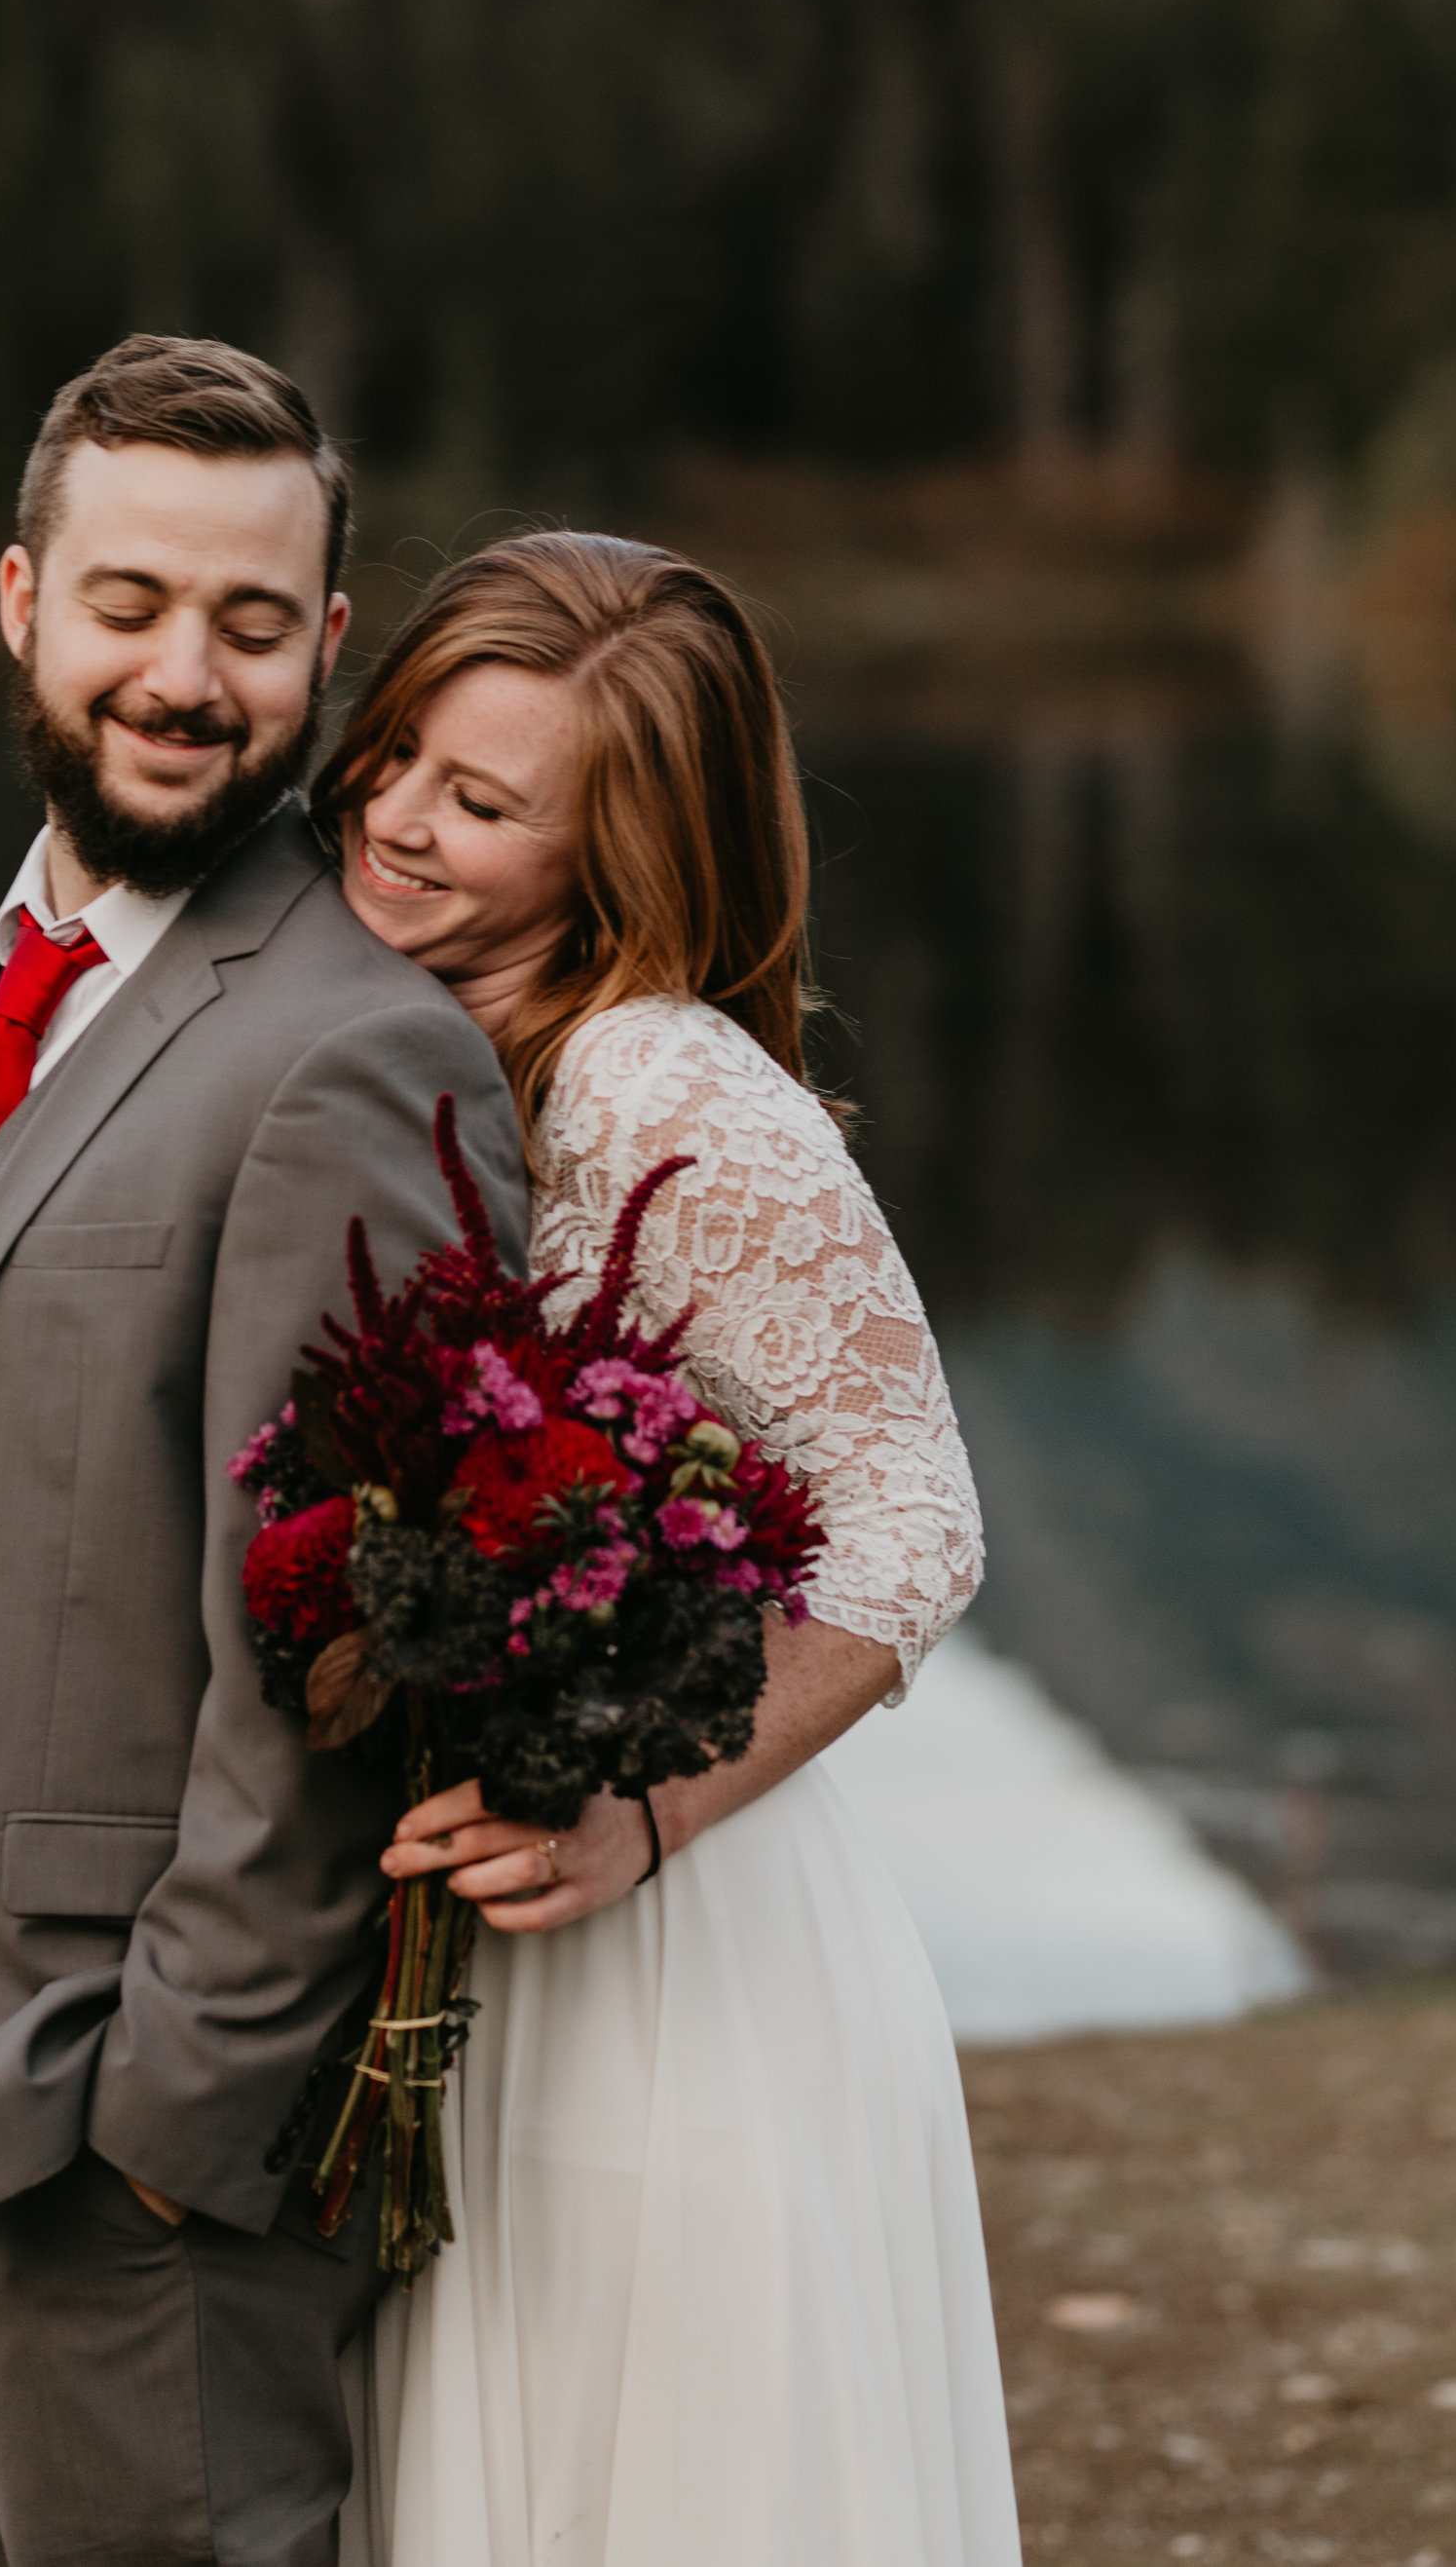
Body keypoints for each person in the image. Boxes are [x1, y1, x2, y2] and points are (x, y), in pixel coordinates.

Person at [0, 333, 530, 2567]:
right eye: (129, 606)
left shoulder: (359, 1055)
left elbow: (351, 1648)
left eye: (252, 623)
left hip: (129, 2108)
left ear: (327, 646)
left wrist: (180, 2108)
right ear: (20, 601)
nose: (186, 675)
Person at [318, 530, 1022, 2567]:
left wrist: (639, 1812)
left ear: (614, 862)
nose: (394, 822)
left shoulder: (650, 1083)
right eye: (395, 760)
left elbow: (916, 1523)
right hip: (478, 1902)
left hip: (658, 1948)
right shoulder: (406, 1030)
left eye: (479, 803)